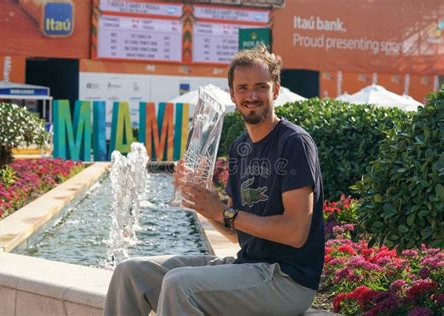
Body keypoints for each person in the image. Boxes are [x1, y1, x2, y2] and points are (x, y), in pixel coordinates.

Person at [103, 45, 324, 316]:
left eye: (261, 87)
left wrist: (224, 211)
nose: (251, 96)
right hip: (248, 267)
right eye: (242, 88)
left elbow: (295, 232)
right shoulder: (240, 147)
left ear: (275, 90)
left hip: (287, 280)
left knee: (178, 285)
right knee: (130, 273)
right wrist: (203, 202)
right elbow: (235, 231)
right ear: (232, 94)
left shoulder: (294, 143)